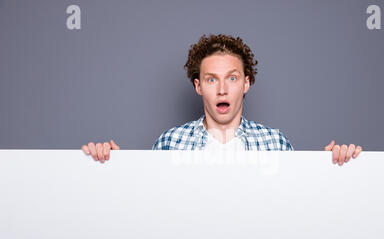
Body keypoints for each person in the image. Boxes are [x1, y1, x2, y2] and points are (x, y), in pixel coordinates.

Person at [82, 34, 362, 165]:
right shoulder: (169, 142)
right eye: (211, 79)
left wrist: (331, 172)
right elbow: (150, 212)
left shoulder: (275, 143)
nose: (222, 89)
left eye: (232, 78)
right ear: (198, 86)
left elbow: (293, 211)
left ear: (246, 83)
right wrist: (114, 171)